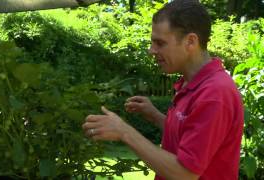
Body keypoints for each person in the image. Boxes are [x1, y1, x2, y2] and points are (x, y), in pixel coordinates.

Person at [82, 1, 244, 179]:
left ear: (190, 41)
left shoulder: (214, 94)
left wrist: (124, 131)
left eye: (160, 43)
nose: (151, 51)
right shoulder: (190, 84)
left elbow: (185, 173)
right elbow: (189, 135)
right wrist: (155, 116)